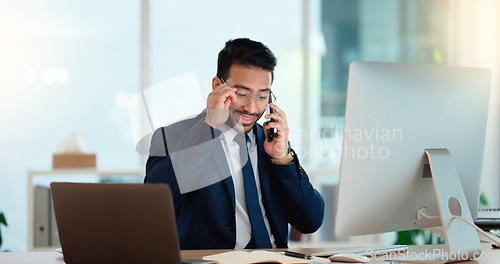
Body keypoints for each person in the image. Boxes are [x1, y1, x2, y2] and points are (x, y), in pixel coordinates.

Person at [144, 38, 324, 250]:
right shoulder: (172, 137)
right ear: (217, 86)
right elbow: (154, 209)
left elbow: (310, 221)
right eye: (242, 94)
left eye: (262, 96)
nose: (252, 108)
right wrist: (208, 126)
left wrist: (283, 159)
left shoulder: (270, 142)